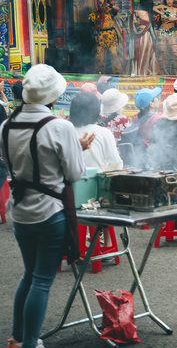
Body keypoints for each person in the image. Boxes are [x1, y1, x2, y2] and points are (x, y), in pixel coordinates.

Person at [2, 65, 89, 348]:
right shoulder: (59, 126)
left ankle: (18, 338)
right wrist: (79, 149)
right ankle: (29, 343)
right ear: (53, 97)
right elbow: (74, 174)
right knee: (41, 280)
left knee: (29, 275)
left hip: (20, 210)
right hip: (50, 212)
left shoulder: (6, 125)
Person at [70, 92, 123, 171]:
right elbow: (116, 163)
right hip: (95, 180)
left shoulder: (66, 132)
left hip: (70, 180)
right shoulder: (103, 133)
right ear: (96, 110)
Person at [118, 86, 162, 167]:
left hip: (140, 157)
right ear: (151, 104)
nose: (158, 99)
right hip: (150, 159)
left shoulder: (136, 117)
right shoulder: (156, 119)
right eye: (155, 97)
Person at [152, 0, 177, 75]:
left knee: (174, 53)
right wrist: (161, 13)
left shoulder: (176, 9)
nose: (169, 1)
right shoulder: (163, 7)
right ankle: (162, 72)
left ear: (173, 0)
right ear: (165, 0)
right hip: (162, 32)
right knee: (162, 53)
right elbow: (153, 8)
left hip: (171, 33)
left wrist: (173, 19)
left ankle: (175, 71)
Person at [90, 0, 125, 75]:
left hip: (111, 35)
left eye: (103, 3)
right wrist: (95, 35)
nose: (101, 5)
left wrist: (109, 5)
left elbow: (117, 9)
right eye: (100, 3)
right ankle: (99, 73)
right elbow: (92, 27)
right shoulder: (93, 15)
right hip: (100, 36)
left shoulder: (110, 12)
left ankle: (117, 72)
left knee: (114, 54)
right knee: (100, 56)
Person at [131, 0, 161, 76]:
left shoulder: (136, 12)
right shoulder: (149, 14)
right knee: (146, 55)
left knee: (137, 55)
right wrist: (155, 41)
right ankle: (144, 71)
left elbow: (132, 26)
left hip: (137, 37)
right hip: (147, 37)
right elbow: (151, 29)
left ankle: (137, 72)